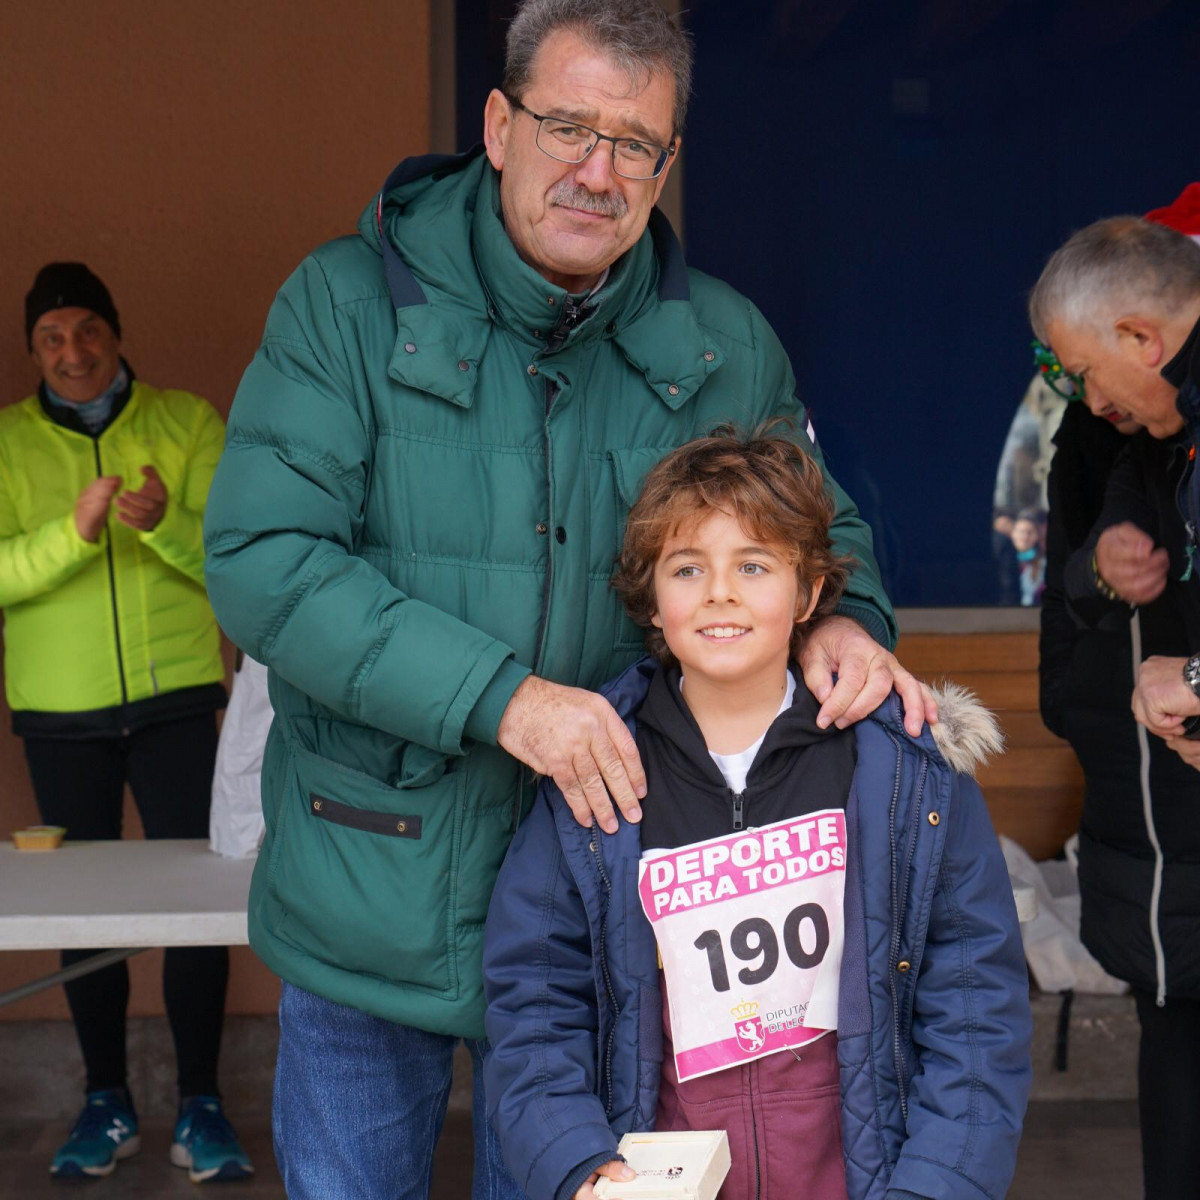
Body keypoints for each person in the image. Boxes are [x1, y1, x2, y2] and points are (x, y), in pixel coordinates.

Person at [203, 2, 935, 1194]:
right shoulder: (343, 305)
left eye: (635, 144)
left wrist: (845, 618)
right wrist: (505, 701)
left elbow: (824, 530)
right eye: (565, 128)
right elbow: (262, 560)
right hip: (367, 880)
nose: (597, 172)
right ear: (498, 126)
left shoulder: (723, 344)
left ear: (668, 163)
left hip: (597, 913)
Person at [483, 426, 1031, 1200]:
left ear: (809, 593)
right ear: (651, 597)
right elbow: (535, 999)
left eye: (753, 564)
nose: (720, 592)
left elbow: (975, 1008)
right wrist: (576, 1160)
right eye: (686, 567)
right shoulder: (593, 774)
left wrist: (939, 1184)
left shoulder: (908, 777)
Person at [0, 263, 251, 1181]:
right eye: (51, 337)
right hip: (60, 713)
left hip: (178, 696)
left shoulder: (186, 423)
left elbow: (232, 553)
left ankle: (201, 1103)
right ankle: (104, 1098)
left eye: (86, 330)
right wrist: (71, 535)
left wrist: (161, 524)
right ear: (34, 350)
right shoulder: (6, 443)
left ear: (114, 331)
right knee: (81, 911)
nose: (72, 352)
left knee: (199, 905)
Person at [1030, 193, 1200, 1200]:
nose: (1084, 401)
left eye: (1084, 373)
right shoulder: (1138, 443)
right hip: (1158, 874)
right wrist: (1102, 572)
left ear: (1141, 334)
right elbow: (1073, 645)